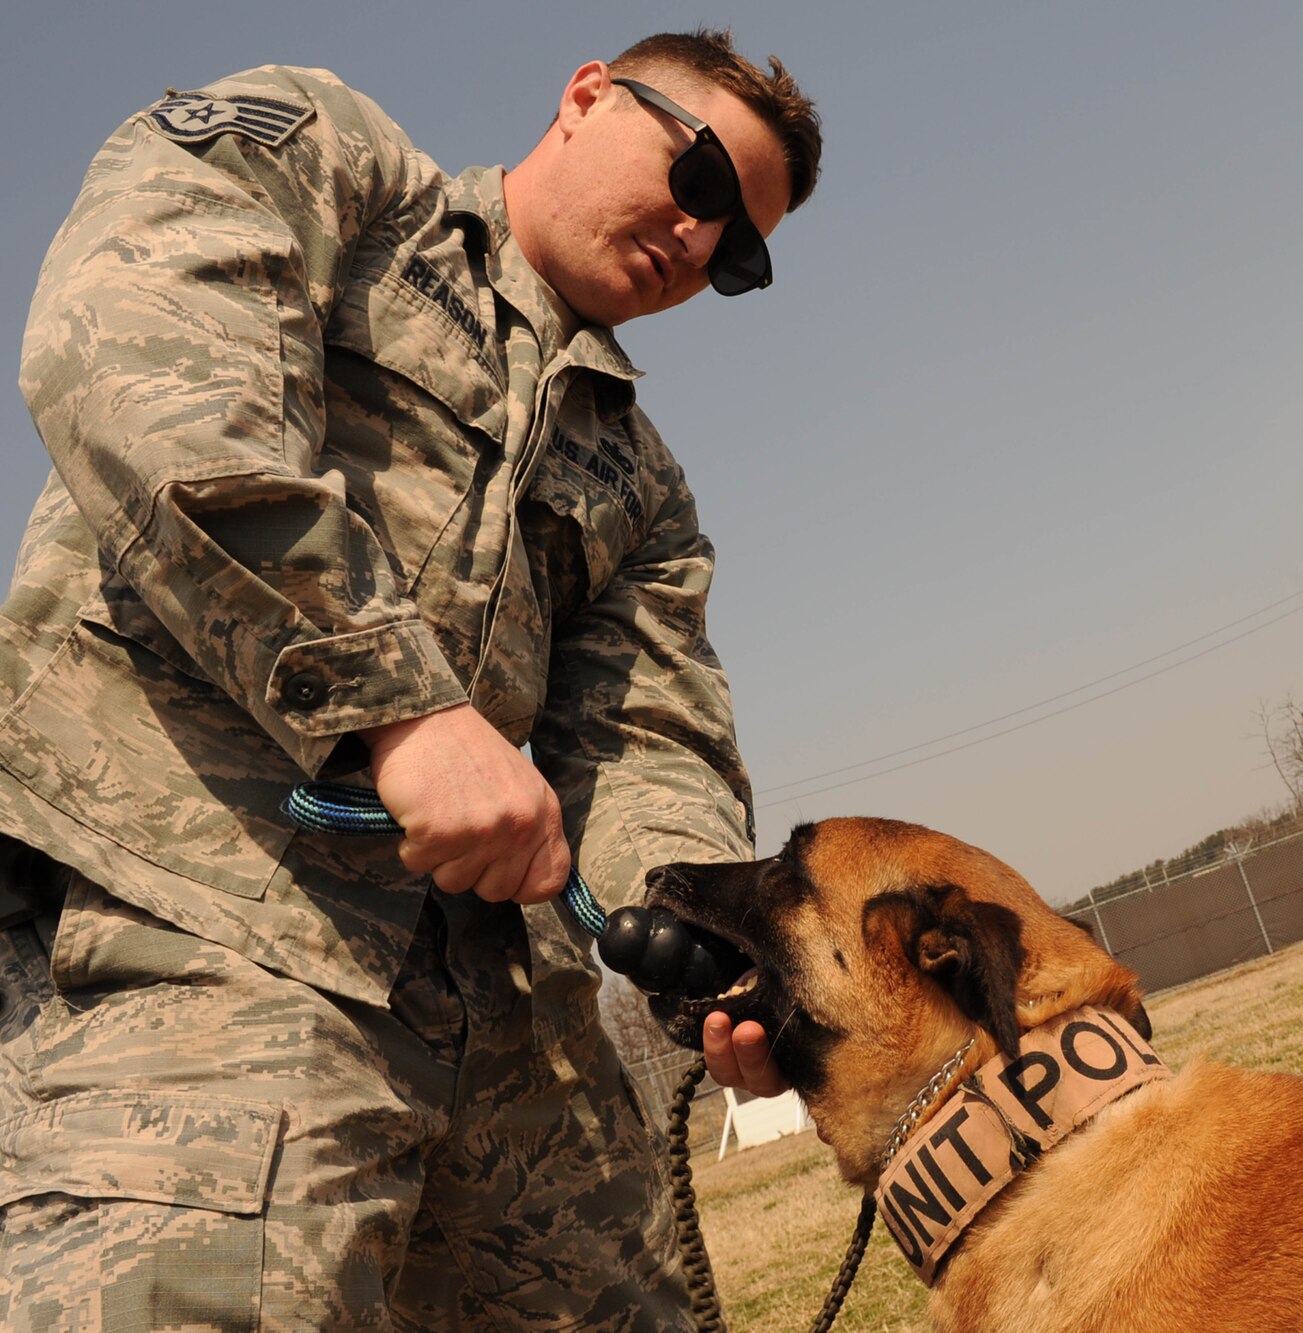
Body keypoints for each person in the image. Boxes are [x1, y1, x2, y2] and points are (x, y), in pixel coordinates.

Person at [0, 28, 814, 1329]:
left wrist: (703, 933)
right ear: (590, 91)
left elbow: (649, 736)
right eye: (703, 176)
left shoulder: (641, 482)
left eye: (744, 254)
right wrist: (395, 701)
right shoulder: (339, 166)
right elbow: (137, 344)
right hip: (205, 934)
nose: (701, 241)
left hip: (506, 1029)